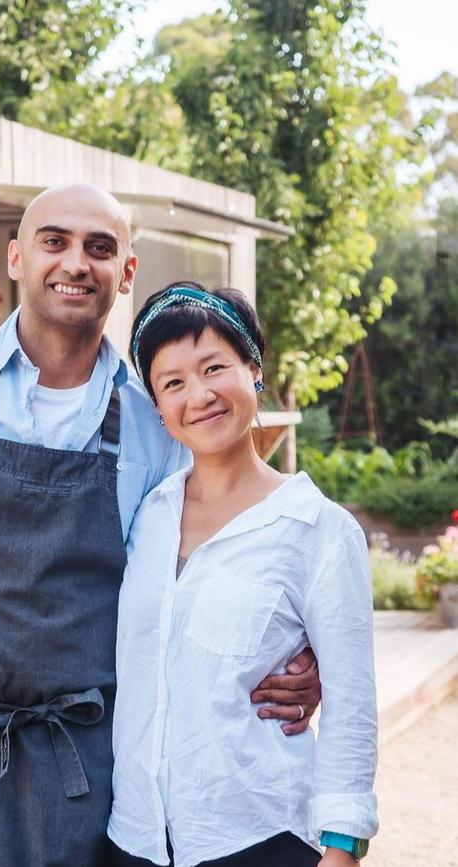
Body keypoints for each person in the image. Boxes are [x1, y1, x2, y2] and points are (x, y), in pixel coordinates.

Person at [0, 185, 321, 867]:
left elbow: (220, 571)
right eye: (54, 241)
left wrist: (300, 656)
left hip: (89, 760)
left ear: (125, 271)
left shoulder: (159, 422)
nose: (75, 262)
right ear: (15, 258)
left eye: (100, 247)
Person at [107, 283, 378, 867]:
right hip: (133, 840)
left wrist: (342, 849)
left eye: (214, 368)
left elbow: (353, 710)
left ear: (254, 370)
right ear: (157, 405)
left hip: (260, 839)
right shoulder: (144, 517)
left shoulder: (317, 530)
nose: (199, 395)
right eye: (173, 382)